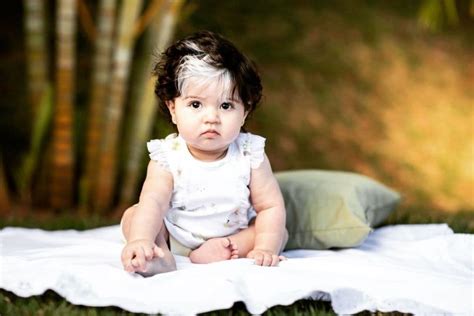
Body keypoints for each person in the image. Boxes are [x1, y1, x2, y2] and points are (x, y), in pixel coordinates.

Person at [120, 30, 288, 276]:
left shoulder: (250, 154)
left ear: (245, 111)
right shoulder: (168, 156)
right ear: (173, 108)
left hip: (231, 239)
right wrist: (140, 239)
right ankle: (159, 254)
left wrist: (265, 247)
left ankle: (218, 253)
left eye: (226, 105)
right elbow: (154, 201)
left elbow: (270, 206)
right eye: (196, 105)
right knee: (134, 216)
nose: (211, 118)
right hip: (174, 236)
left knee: (276, 231)